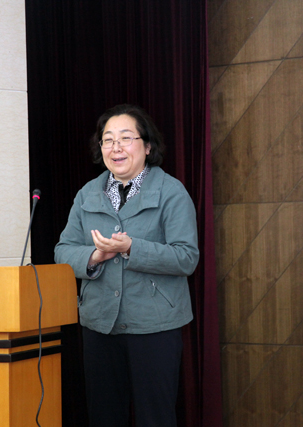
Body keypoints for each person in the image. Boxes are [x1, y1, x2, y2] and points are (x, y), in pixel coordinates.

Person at [54, 104, 200, 427]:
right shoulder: (87, 194)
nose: (116, 147)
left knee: (155, 418)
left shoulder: (171, 192)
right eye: (108, 140)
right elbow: (63, 251)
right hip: (99, 324)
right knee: (104, 417)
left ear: (147, 146)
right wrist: (94, 257)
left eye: (125, 138)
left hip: (154, 326)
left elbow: (186, 257)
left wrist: (132, 248)